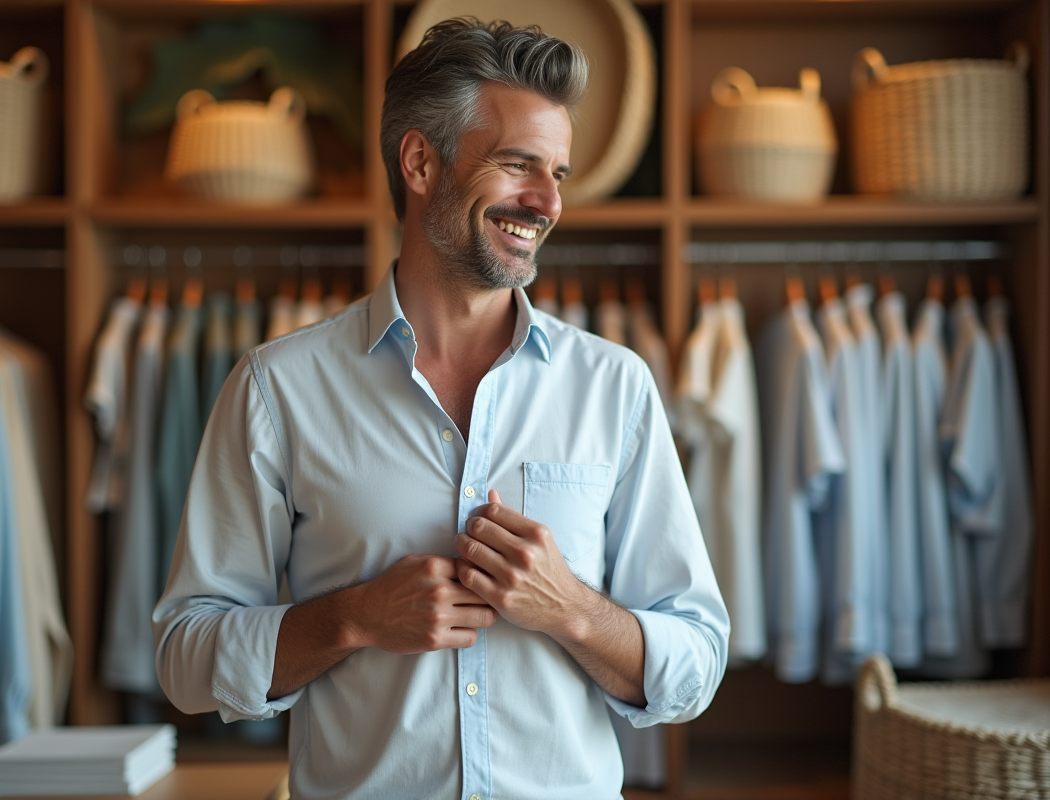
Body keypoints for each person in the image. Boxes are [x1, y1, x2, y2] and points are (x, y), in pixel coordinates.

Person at [153, 18, 729, 800]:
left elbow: (697, 660)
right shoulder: (276, 389)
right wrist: (353, 618)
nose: (550, 201)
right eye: (519, 165)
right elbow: (186, 657)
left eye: (558, 171)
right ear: (421, 161)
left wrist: (571, 611)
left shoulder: (615, 386)